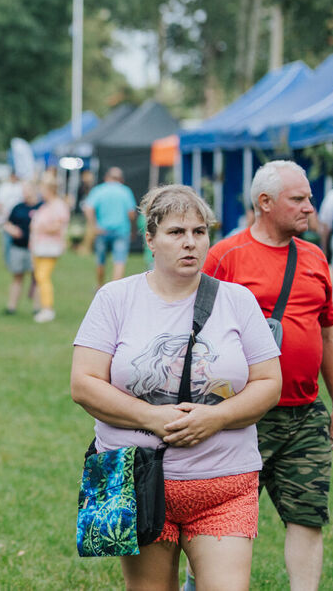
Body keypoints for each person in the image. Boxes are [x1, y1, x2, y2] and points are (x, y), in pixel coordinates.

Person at [71, 184, 282, 590]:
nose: (190, 243)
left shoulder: (238, 300)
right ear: (149, 239)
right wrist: (152, 416)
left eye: (199, 232)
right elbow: (84, 383)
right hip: (137, 480)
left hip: (224, 483)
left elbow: (269, 382)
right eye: (176, 232)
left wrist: (217, 417)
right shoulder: (115, 298)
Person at [204, 161, 333, 591]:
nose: (309, 207)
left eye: (309, 199)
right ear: (264, 202)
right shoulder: (225, 256)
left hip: (305, 414)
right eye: (298, 199)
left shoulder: (316, 257)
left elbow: (329, 333)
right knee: (218, 518)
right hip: (240, 416)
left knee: (307, 515)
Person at [82, 167, 137, 288]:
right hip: (122, 231)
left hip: (102, 231)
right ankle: (115, 289)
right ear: (121, 179)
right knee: (119, 261)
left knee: (100, 261)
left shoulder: (99, 190)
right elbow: (131, 214)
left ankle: (100, 286)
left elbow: (88, 208)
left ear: (107, 177)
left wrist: (94, 226)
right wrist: (133, 229)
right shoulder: (125, 191)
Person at [29, 180, 70, 323]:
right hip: (39, 247)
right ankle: (41, 306)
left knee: (43, 276)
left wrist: (42, 229)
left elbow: (58, 226)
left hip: (50, 247)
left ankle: (47, 308)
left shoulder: (58, 206)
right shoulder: (45, 206)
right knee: (39, 277)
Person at [3, 182, 41, 315]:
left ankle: (37, 308)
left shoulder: (41, 207)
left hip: (36, 249)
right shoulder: (18, 207)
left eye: (27, 190)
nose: (25, 193)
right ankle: (11, 306)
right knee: (17, 276)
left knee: (37, 278)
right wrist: (11, 230)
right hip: (18, 247)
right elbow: (7, 223)